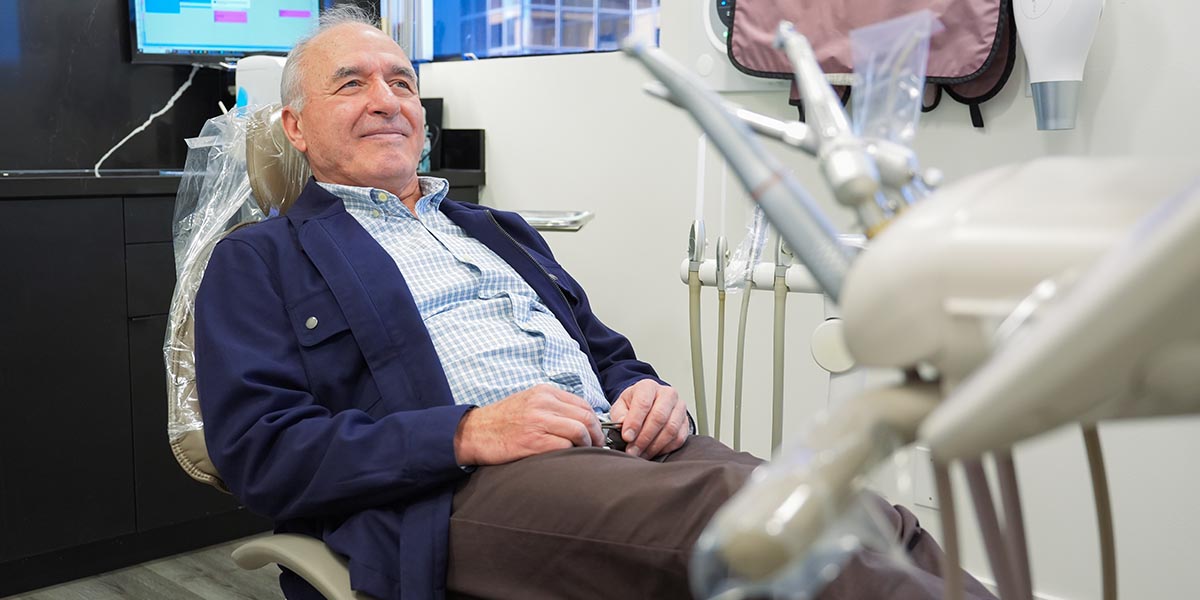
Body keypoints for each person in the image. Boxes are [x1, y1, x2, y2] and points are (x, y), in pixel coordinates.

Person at [194, 6, 994, 600]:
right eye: (352, 83)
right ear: (296, 127)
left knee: (859, 510)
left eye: (402, 82)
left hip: (622, 454)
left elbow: (607, 353)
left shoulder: (496, 230)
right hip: (453, 492)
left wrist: (648, 394)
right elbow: (262, 453)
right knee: (757, 523)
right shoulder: (261, 258)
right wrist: (467, 431)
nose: (387, 99)